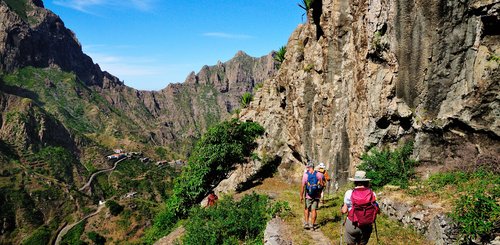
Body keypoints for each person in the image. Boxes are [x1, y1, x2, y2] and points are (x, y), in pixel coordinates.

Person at [341, 171, 378, 245]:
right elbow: (377, 210)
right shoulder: (372, 193)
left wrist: (342, 208)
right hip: (366, 225)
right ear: (366, 182)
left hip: (352, 224)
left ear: (355, 182)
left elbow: (344, 211)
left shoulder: (349, 193)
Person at [300, 162, 324, 230]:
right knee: (314, 210)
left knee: (307, 209)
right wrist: (319, 192)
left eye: (307, 167)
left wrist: (301, 196)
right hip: (316, 196)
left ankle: (306, 223)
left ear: (309, 167)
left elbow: (302, 186)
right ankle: (312, 225)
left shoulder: (305, 175)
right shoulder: (319, 174)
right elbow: (322, 185)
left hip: (308, 195)